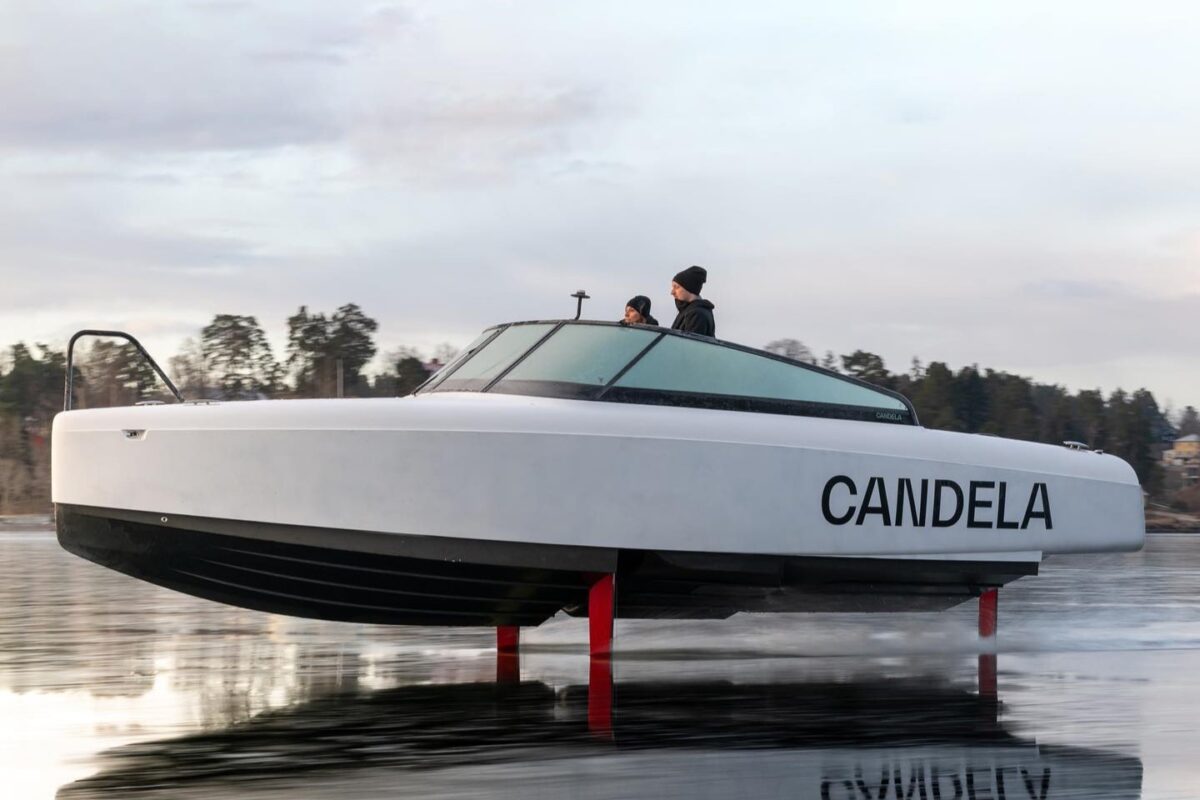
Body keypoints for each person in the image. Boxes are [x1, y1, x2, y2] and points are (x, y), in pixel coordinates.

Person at [669, 266, 715, 337]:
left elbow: (689, 346)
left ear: (689, 287)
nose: (672, 292)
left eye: (676, 287)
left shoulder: (697, 314)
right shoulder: (688, 310)